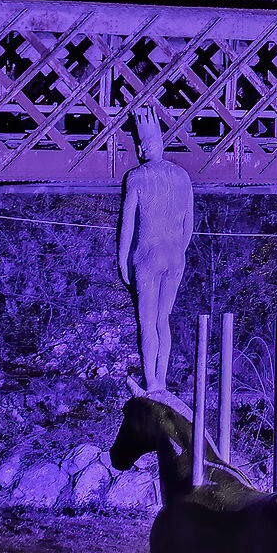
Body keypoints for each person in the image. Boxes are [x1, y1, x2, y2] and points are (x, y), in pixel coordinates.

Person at [117, 104, 193, 395]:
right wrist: (178, 251)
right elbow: (189, 224)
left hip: (148, 255)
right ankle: (162, 377)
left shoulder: (137, 177)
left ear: (141, 147)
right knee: (164, 319)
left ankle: (152, 382)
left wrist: (123, 259)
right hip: (175, 255)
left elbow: (128, 223)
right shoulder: (182, 176)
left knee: (146, 321)